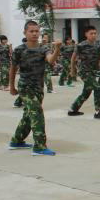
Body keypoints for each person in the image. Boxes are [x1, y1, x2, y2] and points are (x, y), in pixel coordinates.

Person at [8, 20, 62, 155]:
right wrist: (11, 86)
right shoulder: (19, 50)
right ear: (25, 33)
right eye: (31, 31)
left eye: (36, 31)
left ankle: (16, 141)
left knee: (28, 115)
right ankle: (39, 146)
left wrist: (57, 49)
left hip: (38, 87)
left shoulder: (44, 48)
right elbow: (13, 69)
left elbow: (51, 60)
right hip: (25, 87)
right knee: (37, 113)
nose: (34, 34)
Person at [68, 26, 100, 119]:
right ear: (86, 34)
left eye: (95, 33)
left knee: (86, 92)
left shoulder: (98, 45)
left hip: (92, 72)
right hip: (84, 72)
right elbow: (73, 58)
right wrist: (72, 71)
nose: (93, 35)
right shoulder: (81, 45)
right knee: (98, 88)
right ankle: (98, 112)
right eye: (91, 33)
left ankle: (73, 109)